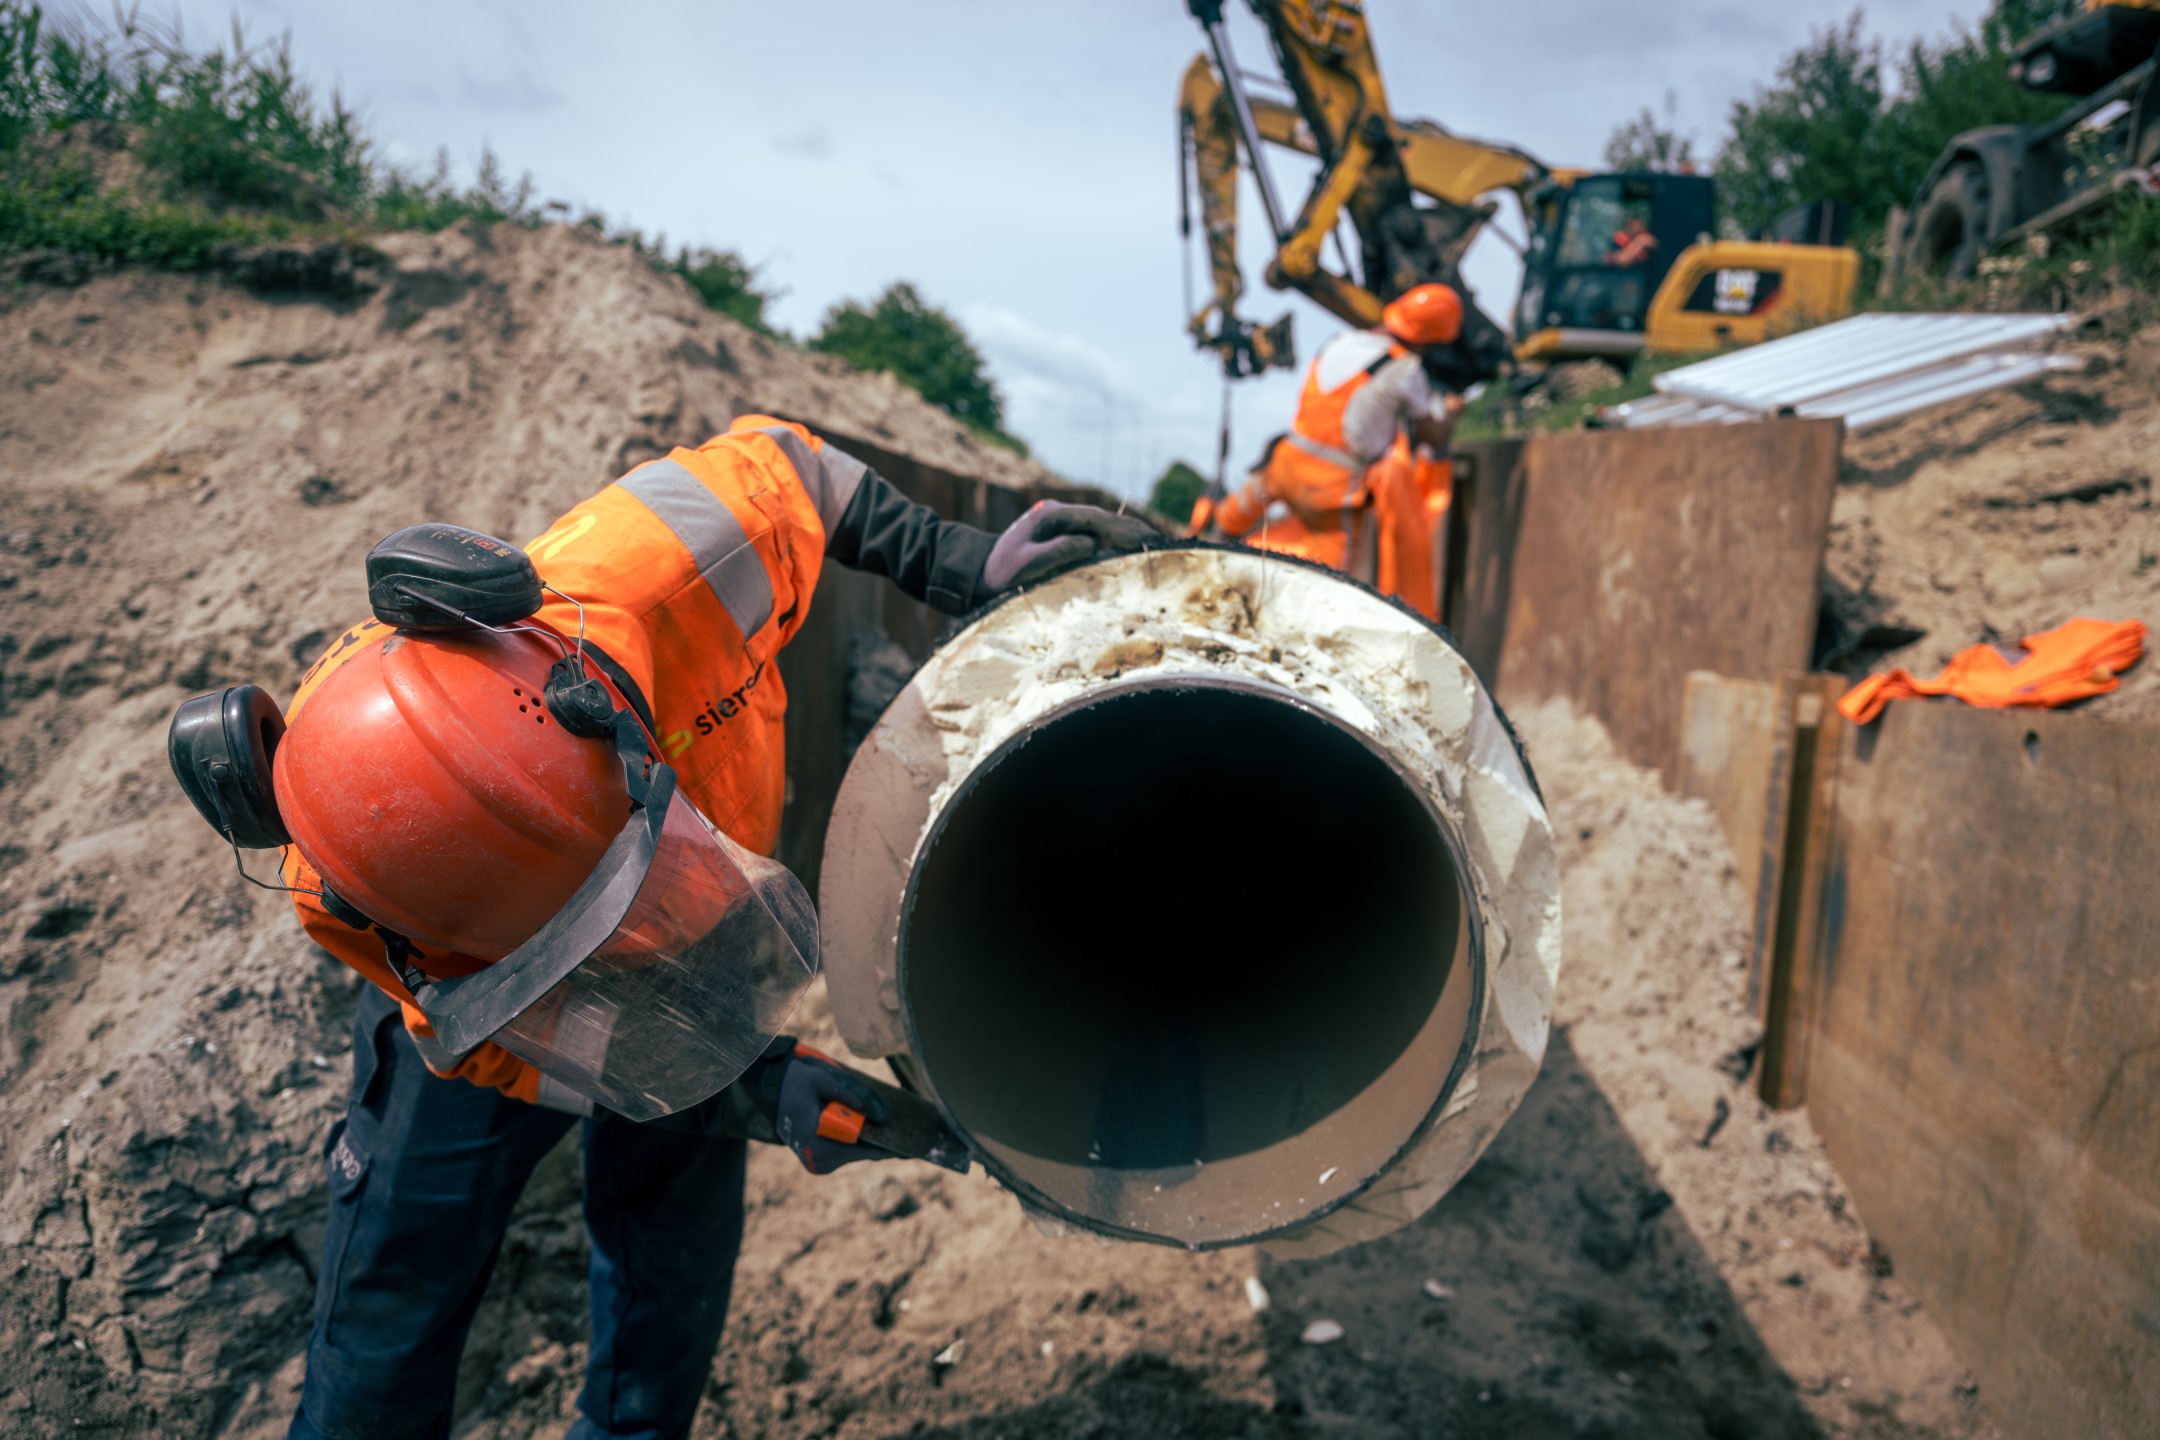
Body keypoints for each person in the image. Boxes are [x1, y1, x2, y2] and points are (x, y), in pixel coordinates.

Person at [206, 416, 1157, 1440]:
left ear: (621, 755)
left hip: (709, 954)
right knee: (397, 1298)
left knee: (670, 1267)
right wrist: (747, 1087)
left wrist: (958, 560)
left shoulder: (668, 569)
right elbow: (510, 1041)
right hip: (500, 1034)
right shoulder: (355, 892)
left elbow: (798, 467)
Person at [1207, 282, 1465, 616]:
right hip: (1332, 490)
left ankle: (1206, 555)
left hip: (1284, 467)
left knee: (1229, 522)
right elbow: (1431, 435)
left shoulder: (1338, 342)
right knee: (1327, 583)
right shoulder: (1407, 369)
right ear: (1430, 338)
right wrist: (1454, 411)